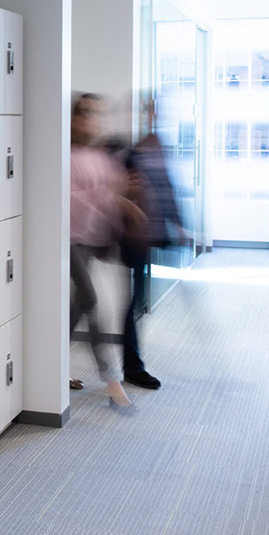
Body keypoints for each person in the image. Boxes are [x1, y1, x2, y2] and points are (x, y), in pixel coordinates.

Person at [68, 93, 145, 411]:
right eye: (85, 112)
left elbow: (112, 194)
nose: (92, 119)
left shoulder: (101, 156)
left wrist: (123, 200)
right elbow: (75, 201)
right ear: (74, 117)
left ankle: (50, 368)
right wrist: (112, 198)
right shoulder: (67, 154)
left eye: (98, 113)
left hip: (92, 241)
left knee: (75, 310)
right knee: (93, 302)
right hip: (69, 241)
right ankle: (112, 381)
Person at [120, 129, 185, 390]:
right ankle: (132, 367)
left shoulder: (155, 147)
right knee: (108, 304)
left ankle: (132, 366)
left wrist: (177, 224)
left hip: (142, 239)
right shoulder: (130, 152)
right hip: (124, 238)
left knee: (129, 304)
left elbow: (166, 188)